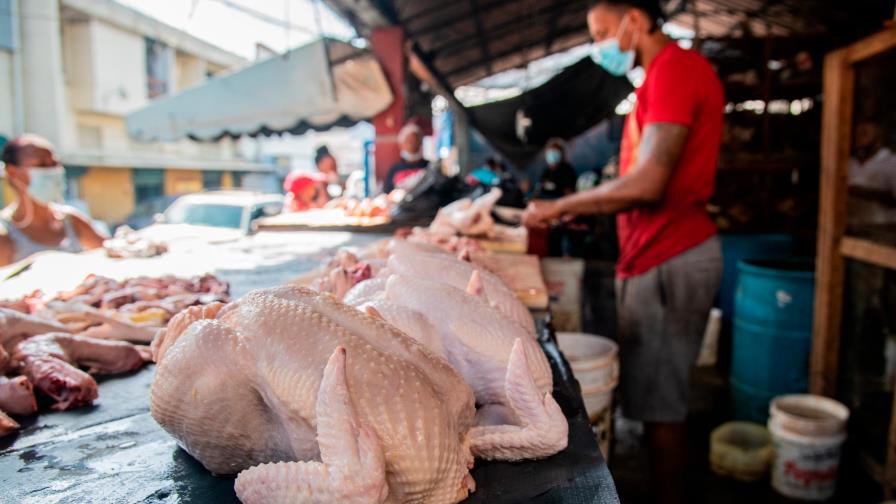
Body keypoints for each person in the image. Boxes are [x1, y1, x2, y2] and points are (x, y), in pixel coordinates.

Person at [523, 1, 724, 502]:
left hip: (671, 255)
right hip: (650, 254)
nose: (600, 45)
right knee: (653, 397)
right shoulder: (655, 80)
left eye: (603, 31)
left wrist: (558, 205)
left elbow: (649, 184)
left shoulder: (676, 70)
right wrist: (588, 209)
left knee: (662, 406)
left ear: (635, 18)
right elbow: (639, 184)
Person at [0, 134, 106, 266]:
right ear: (13, 172)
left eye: (55, 164)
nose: (52, 171)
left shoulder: (70, 220)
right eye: (42, 165)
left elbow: (111, 253)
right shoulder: (5, 234)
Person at [847, 120, 896, 228]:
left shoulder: (892, 162)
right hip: (851, 227)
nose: (858, 138)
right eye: (856, 134)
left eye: (864, 133)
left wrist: (865, 193)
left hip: (881, 228)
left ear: (878, 137)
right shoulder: (850, 162)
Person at [383, 123, 428, 193]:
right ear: (402, 144)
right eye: (409, 141)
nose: (412, 145)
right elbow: (387, 193)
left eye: (415, 141)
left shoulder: (429, 166)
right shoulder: (395, 169)